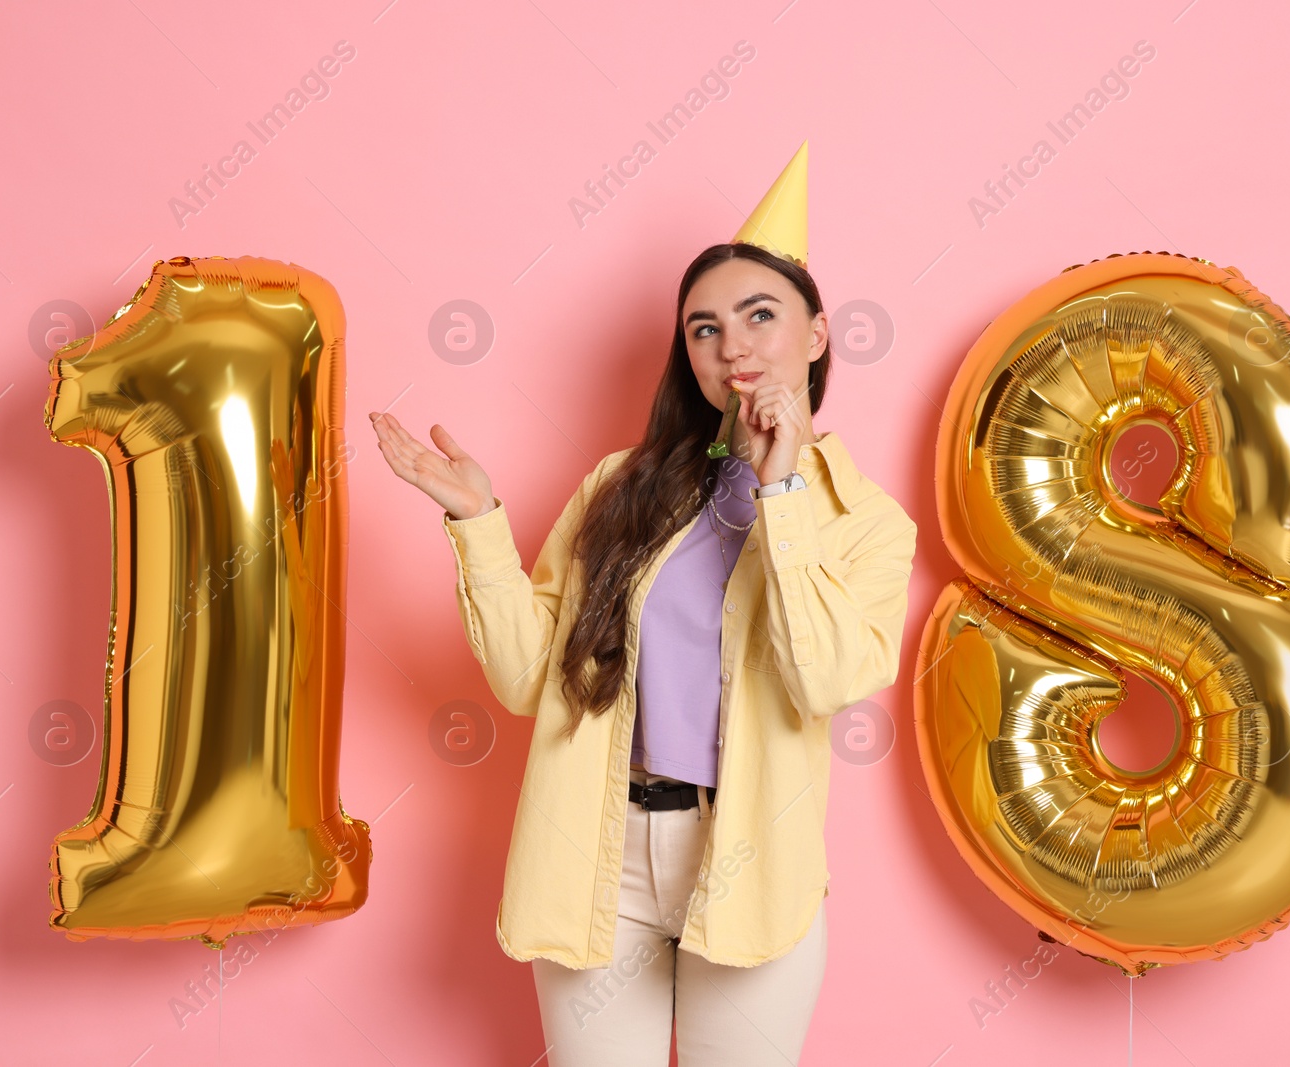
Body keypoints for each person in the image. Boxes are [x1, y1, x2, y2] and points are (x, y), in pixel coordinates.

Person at [371, 142, 916, 1066]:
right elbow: (526, 679)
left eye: (758, 315)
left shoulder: (865, 522)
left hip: (748, 865)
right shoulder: (619, 487)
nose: (731, 345)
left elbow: (826, 676)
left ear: (818, 335)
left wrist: (780, 495)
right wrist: (478, 523)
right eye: (703, 328)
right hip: (599, 850)